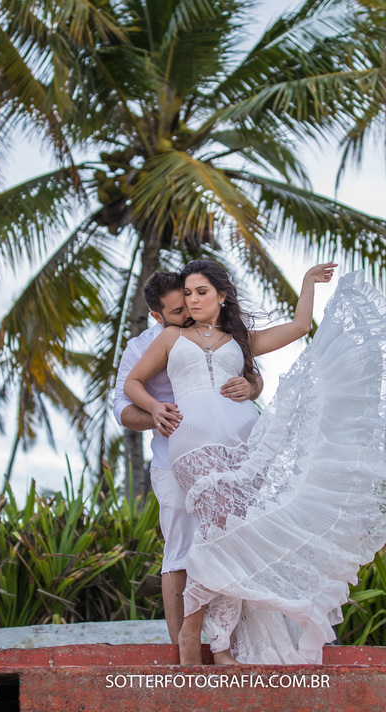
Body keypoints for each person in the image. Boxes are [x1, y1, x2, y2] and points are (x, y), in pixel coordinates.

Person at [124, 260, 386, 665]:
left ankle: (219, 646)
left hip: (244, 442)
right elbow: (132, 383)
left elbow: (300, 328)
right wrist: (156, 408)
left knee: (236, 537)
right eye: (188, 293)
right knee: (214, 532)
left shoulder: (239, 339)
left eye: (201, 292)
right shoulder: (168, 336)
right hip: (190, 443)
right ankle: (191, 634)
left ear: (222, 295)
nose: (192, 299)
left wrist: (307, 283)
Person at [111, 270, 262, 645]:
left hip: (226, 457)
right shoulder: (143, 345)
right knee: (180, 549)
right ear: (158, 317)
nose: (190, 311)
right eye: (179, 310)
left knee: (232, 537)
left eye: (193, 299)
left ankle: (228, 641)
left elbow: (249, 371)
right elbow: (121, 406)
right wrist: (156, 415)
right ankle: (184, 649)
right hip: (171, 460)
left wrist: (254, 386)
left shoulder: (217, 332)